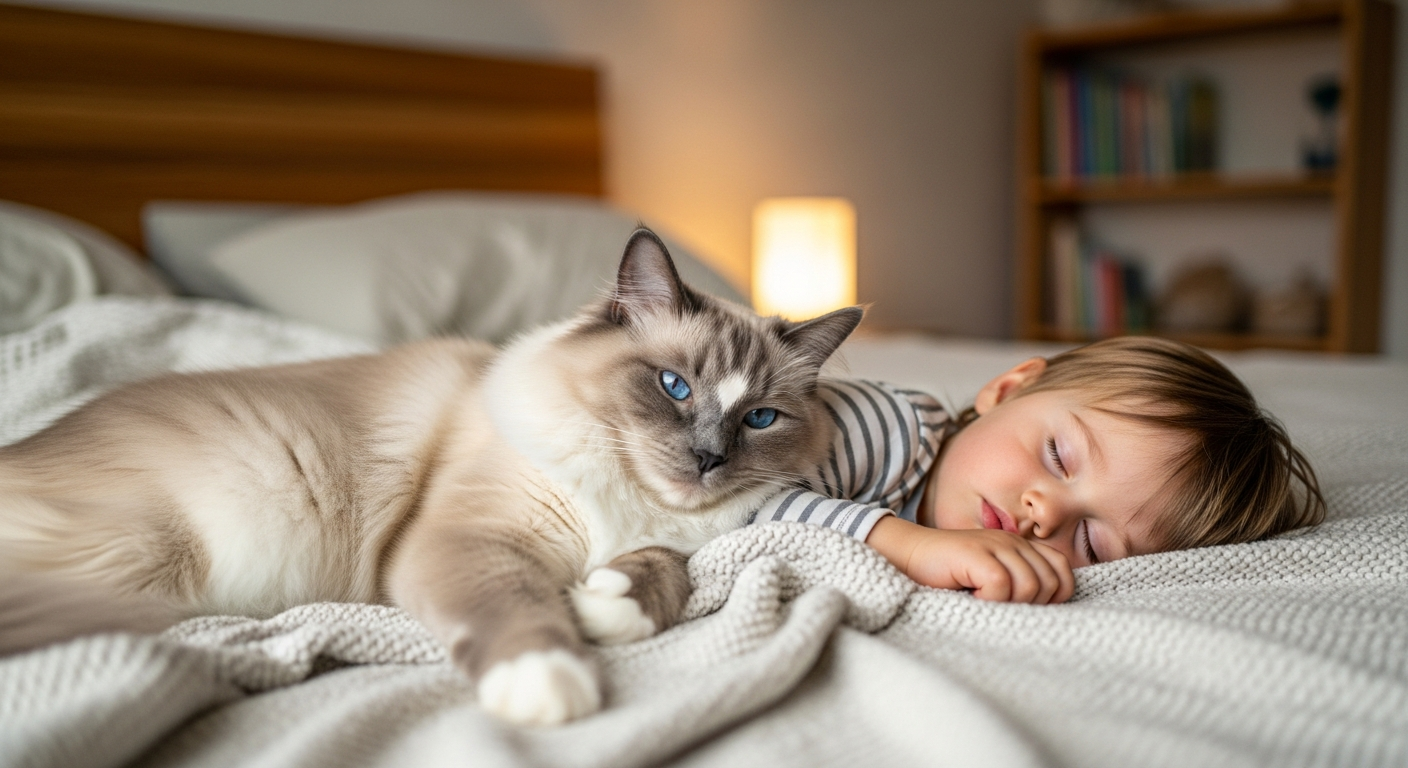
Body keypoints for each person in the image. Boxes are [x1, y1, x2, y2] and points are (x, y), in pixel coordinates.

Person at [748, 336, 1325, 604]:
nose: (1045, 513)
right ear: (1007, 389)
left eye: (1094, 544)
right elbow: (738, 503)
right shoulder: (886, 425)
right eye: (1057, 457)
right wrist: (912, 547)